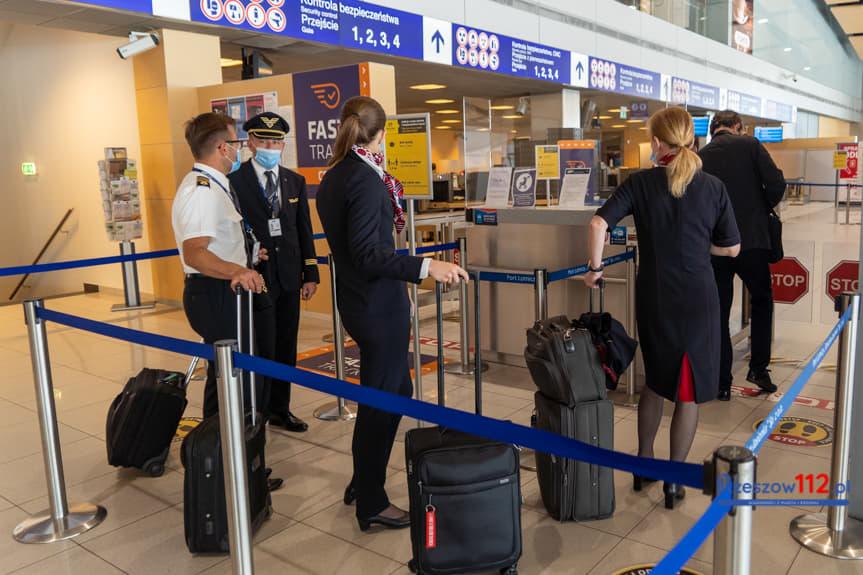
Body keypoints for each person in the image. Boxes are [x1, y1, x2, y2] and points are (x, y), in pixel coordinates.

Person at [316, 96, 468, 531]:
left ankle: (362, 480)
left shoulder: (336, 174)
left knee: (394, 390)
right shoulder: (364, 180)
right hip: (375, 306)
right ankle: (371, 501)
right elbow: (369, 254)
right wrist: (426, 266)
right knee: (383, 399)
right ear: (382, 133)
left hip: (362, 300)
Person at [584, 107, 741, 510]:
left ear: (656, 142)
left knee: (655, 379)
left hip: (656, 296)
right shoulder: (713, 187)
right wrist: (699, 246)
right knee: (687, 389)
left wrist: (595, 269)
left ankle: (643, 464)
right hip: (698, 299)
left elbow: (598, 224)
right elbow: (732, 248)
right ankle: (674, 480)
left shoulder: (641, 183)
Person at [171, 112, 282, 491]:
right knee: (239, 383)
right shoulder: (201, 190)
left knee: (227, 380)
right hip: (216, 294)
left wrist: (247, 256)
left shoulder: (215, 186)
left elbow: (217, 242)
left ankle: (232, 464)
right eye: (235, 143)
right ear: (222, 147)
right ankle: (229, 469)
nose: (239, 149)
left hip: (224, 289)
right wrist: (236, 270)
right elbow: (196, 252)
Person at [229, 112, 318, 433]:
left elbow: (303, 229)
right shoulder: (235, 181)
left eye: (276, 142)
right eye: (264, 141)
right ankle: (258, 411)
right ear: (251, 142)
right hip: (257, 276)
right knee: (261, 346)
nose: (270, 147)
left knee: (286, 345)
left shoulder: (294, 181)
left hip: (289, 276)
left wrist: (310, 273)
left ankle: (281, 408)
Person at [699, 110, 786, 401]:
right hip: (752, 241)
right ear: (737, 126)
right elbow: (776, 184)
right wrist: (760, 208)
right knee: (761, 301)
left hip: (716, 244)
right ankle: (758, 369)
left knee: (719, 310)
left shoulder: (701, 155)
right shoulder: (750, 145)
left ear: (713, 129)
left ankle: (722, 382)